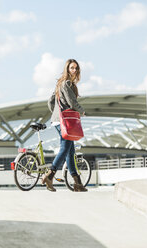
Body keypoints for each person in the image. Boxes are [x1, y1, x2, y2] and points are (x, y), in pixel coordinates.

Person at [44, 59, 87, 192]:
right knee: (64, 149)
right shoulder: (67, 83)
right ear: (67, 69)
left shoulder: (59, 83)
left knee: (70, 151)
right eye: (72, 68)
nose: (74, 70)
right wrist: (82, 111)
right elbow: (72, 102)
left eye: (76, 68)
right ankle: (50, 175)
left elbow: (50, 101)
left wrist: (56, 114)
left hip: (58, 120)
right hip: (64, 122)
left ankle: (77, 183)